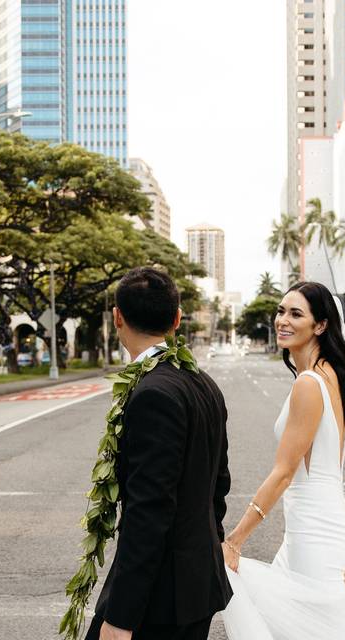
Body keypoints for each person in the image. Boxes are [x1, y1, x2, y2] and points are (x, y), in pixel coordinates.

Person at [220, 281, 345, 640]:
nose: (283, 320)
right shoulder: (332, 377)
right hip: (317, 529)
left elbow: (283, 473)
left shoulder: (310, 384)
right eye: (281, 311)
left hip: (315, 536)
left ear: (321, 325)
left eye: (296, 314)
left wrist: (234, 541)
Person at [86, 267, 233, 640]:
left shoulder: (153, 393)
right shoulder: (204, 383)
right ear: (177, 319)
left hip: (161, 597)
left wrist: (121, 619)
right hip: (196, 584)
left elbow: (149, 511)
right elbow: (219, 485)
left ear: (117, 317)